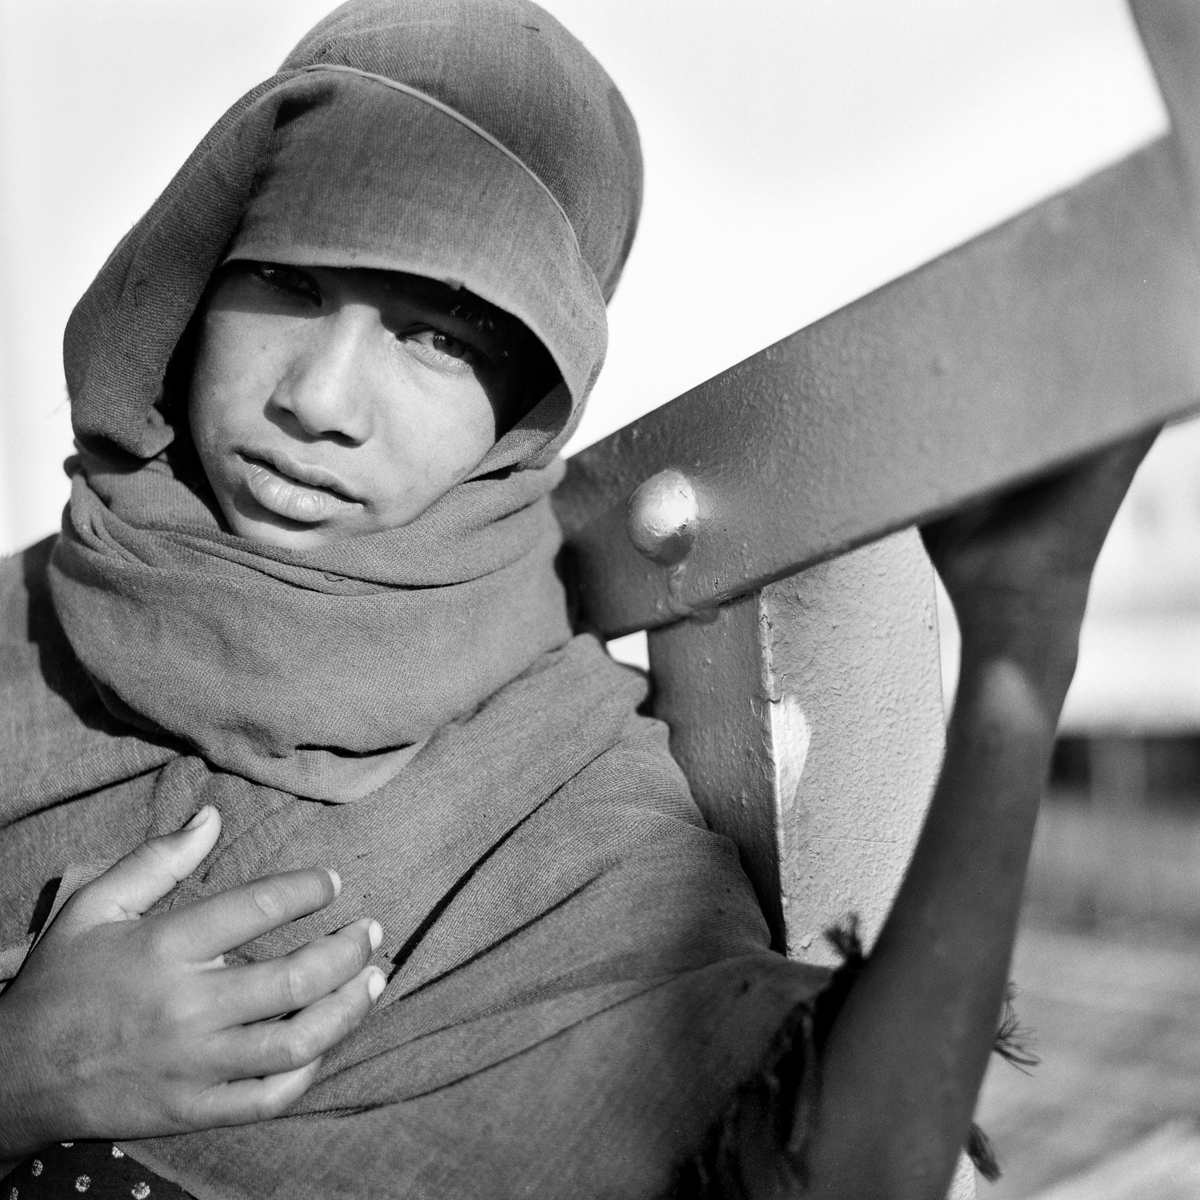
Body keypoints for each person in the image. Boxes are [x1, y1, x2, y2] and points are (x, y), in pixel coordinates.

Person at [0, 0, 1153, 1196]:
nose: (321, 397)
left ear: (530, 392)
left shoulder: (565, 790)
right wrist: (23, 1069)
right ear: (192, 279)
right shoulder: (17, 636)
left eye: (435, 336)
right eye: (285, 282)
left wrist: (1023, 649)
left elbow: (843, 1167)